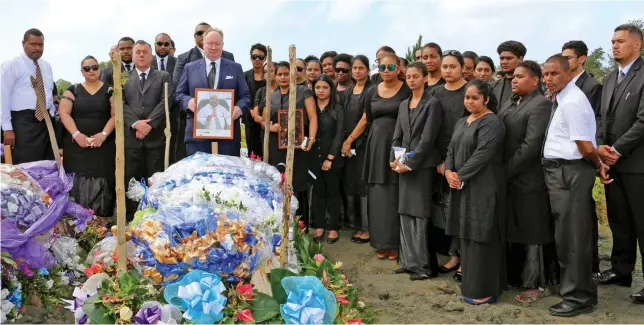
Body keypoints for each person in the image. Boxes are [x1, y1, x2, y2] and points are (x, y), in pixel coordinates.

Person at [541, 54, 612, 317]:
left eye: (554, 74)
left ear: (568, 73)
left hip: (569, 173)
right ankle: (579, 293)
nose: (548, 79)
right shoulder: (562, 99)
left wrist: (597, 164)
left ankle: (577, 297)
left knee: (572, 237)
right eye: (546, 74)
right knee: (567, 234)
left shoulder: (571, 101)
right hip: (561, 172)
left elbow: (584, 146)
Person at [498, 60, 557, 303]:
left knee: (533, 230)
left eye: (520, 76)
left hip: (528, 179)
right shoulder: (512, 102)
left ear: (535, 81)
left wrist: (506, 171)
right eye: (513, 76)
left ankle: (538, 282)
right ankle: (517, 276)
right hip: (511, 179)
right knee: (516, 227)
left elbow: (531, 146)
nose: (514, 79)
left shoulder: (540, 105)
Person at [594, 23, 644, 304]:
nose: (614, 45)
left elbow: (643, 121)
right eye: (612, 41)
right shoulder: (611, 77)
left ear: (636, 45)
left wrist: (616, 149)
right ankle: (621, 270)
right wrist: (602, 151)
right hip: (612, 163)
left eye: (620, 41)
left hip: (638, 164)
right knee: (619, 221)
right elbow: (602, 118)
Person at [445, 80, 506, 305]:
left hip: (483, 186)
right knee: (467, 234)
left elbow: (483, 154)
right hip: (461, 186)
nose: (469, 102)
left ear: (486, 99)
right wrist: (448, 171)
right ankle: (471, 285)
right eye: (467, 98)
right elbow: (451, 148)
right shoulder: (462, 121)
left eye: (475, 98)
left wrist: (460, 175)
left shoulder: (492, 123)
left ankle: (487, 290)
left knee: (482, 235)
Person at [391, 62, 443, 280]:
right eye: (409, 77)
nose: (412, 80)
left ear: (425, 78)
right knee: (405, 212)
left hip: (421, 167)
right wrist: (394, 159)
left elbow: (428, 139)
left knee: (420, 214)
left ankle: (424, 266)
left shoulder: (433, 104)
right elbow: (398, 135)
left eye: (416, 76)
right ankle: (408, 261)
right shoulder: (403, 104)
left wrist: (410, 163)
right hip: (403, 166)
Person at [363, 52, 412, 260]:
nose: (386, 71)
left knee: (395, 194)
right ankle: (381, 243)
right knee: (378, 195)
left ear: (399, 68)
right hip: (376, 146)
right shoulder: (372, 91)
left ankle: (395, 244)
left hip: (398, 146)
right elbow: (367, 118)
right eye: (382, 67)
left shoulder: (407, 89)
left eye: (390, 67)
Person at [561, 40, 603, 277]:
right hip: (563, 158)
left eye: (568, 57)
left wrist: (594, 157)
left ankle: (592, 264)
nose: (565, 61)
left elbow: (594, 122)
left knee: (584, 213)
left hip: (582, 156)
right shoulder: (562, 85)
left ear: (581, 59)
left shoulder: (591, 86)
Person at [175, 28, 251, 157]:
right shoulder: (190, 68)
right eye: (210, 43)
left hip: (228, 137)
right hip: (197, 136)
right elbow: (179, 94)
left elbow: (246, 97)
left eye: (218, 43)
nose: (214, 47)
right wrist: (189, 102)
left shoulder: (235, 67)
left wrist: (239, 108)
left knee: (226, 175)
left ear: (222, 45)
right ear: (203, 43)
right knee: (199, 175)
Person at [58, 55, 116, 219]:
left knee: (103, 178)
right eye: (87, 68)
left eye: (95, 67)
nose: (92, 71)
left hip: (103, 145)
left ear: (99, 69)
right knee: (77, 181)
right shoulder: (73, 89)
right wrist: (76, 135)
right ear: (81, 72)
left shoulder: (110, 90)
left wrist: (103, 135)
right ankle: (76, 221)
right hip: (77, 147)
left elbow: (115, 115)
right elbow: (64, 112)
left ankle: (101, 223)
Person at [122, 40, 173, 219]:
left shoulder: (163, 76)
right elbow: (121, 104)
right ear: (133, 56)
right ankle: (131, 216)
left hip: (155, 138)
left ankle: (154, 215)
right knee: (131, 178)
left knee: (155, 178)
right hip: (131, 138)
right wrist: (136, 124)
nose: (142, 55)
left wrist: (148, 126)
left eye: (145, 52)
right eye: (138, 52)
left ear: (151, 56)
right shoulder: (123, 77)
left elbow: (166, 102)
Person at [264, 61, 318, 227]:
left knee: (299, 185)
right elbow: (264, 120)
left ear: (293, 74)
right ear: (275, 76)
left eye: (286, 74)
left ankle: (302, 228)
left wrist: (311, 138)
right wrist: (270, 126)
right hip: (277, 146)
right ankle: (283, 226)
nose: (283, 77)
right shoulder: (271, 95)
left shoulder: (304, 91)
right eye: (279, 74)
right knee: (280, 183)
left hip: (299, 146)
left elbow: (313, 117)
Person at [431, 50, 469, 280]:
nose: (447, 70)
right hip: (442, 161)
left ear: (462, 67)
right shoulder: (434, 93)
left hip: (466, 158)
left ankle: (467, 258)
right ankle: (454, 254)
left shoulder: (471, 90)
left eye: (452, 66)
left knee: (465, 211)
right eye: (444, 66)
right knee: (448, 210)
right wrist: (439, 162)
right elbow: (430, 130)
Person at [1, 28, 56, 164]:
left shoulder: (46, 66)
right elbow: (3, 97)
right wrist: (7, 128)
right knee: (24, 168)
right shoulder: (11, 65)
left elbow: (49, 93)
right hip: (21, 124)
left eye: (41, 45)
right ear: (23, 44)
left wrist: (52, 114)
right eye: (33, 44)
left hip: (45, 124)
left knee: (46, 165)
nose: (37, 48)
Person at [341, 55, 372, 244]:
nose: (357, 71)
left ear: (367, 70)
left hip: (364, 143)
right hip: (349, 145)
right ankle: (357, 225)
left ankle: (367, 228)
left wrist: (350, 139)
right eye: (354, 68)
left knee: (363, 186)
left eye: (361, 68)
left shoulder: (371, 90)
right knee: (352, 183)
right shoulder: (349, 92)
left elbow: (365, 118)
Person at [310, 75, 345, 244]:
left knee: (333, 191)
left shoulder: (337, 108)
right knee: (318, 191)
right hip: (313, 156)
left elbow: (339, 135)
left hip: (332, 157)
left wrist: (330, 158)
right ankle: (319, 225)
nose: (321, 91)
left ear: (331, 89)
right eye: (318, 87)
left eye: (325, 87)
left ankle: (333, 227)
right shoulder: (311, 108)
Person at [150, 33, 178, 163]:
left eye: (166, 44)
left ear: (170, 46)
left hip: (174, 115)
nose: (162, 47)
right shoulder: (147, 63)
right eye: (159, 44)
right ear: (155, 45)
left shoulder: (178, 63)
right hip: (151, 115)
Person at [243, 43, 268, 158]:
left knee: (267, 151)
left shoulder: (270, 74)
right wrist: (252, 111)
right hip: (250, 119)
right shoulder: (244, 76)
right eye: (254, 56)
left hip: (268, 119)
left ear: (265, 59)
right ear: (250, 58)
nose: (257, 59)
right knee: (253, 154)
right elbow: (242, 95)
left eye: (261, 57)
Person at [493, 41, 526, 107]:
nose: (504, 62)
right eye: (502, 58)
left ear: (521, 58)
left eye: (509, 58)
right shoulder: (494, 86)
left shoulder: (530, 85)